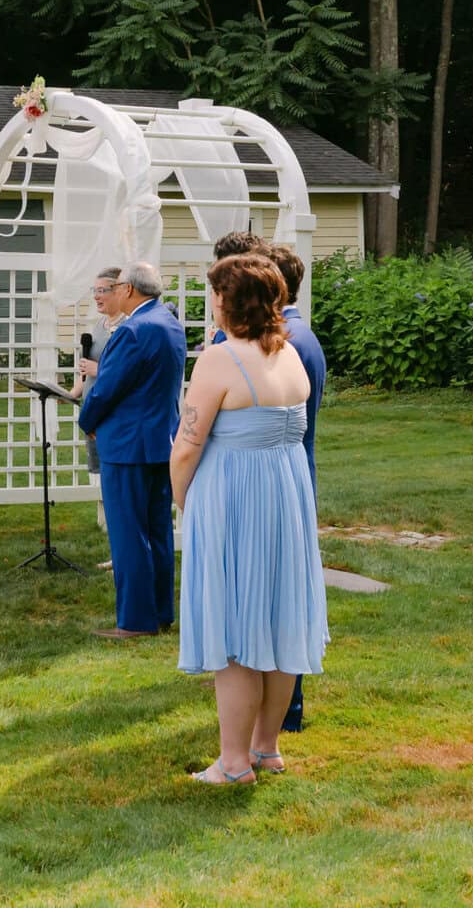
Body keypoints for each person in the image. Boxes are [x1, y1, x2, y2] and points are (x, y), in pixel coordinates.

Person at [172, 254, 327, 785]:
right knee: (281, 619)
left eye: (216, 293)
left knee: (235, 626)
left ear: (228, 301)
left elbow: (187, 447)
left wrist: (183, 501)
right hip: (286, 498)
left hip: (234, 498)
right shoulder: (291, 356)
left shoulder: (219, 359)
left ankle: (234, 763)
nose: (212, 303)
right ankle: (267, 748)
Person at [77, 262, 187, 640]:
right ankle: (160, 611)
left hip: (126, 444)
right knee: (157, 530)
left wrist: (86, 420)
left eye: (117, 286)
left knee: (127, 534)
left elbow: (107, 388)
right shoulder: (170, 322)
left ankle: (136, 620)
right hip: (159, 441)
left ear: (129, 290)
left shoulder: (133, 331)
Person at [269, 243, 326, 735]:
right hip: (291, 469)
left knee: (285, 593)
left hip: (284, 475)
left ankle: (286, 709)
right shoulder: (299, 333)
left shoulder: (289, 341)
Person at [70, 269, 128, 554]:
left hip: (115, 415)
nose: (96, 296)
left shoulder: (128, 329)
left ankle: (121, 547)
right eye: (94, 291)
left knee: (118, 480)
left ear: (119, 291)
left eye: (102, 290)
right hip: (94, 411)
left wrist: (98, 370)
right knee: (104, 476)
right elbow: (84, 369)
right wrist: (72, 392)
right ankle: (112, 541)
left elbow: (128, 374)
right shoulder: (98, 327)